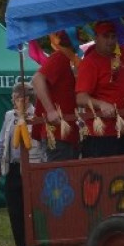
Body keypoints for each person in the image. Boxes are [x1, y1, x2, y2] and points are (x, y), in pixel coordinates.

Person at [0, 83, 43, 246]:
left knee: (28, 212)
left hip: (30, 169)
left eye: (16, 97)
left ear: (25, 99)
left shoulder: (36, 117)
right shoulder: (9, 116)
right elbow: (1, 143)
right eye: (13, 97)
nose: (13, 100)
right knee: (15, 211)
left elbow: (43, 145)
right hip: (11, 169)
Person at [76, 20, 124, 157]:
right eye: (105, 36)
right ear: (96, 38)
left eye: (113, 36)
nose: (110, 41)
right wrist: (101, 104)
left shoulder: (118, 59)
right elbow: (80, 98)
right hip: (103, 134)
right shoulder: (90, 62)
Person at [30, 30, 80, 162]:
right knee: (59, 173)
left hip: (66, 133)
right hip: (57, 133)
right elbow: (37, 79)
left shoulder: (69, 60)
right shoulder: (60, 57)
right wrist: (51, 111)